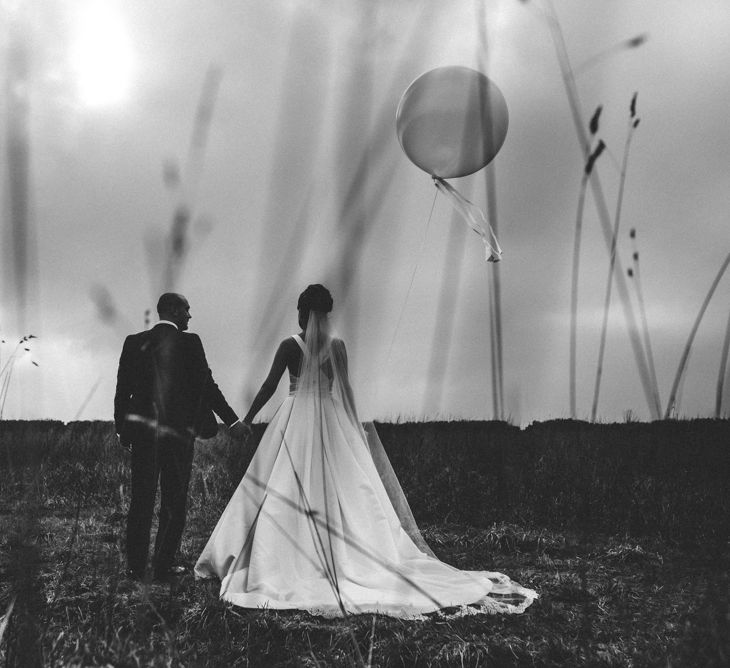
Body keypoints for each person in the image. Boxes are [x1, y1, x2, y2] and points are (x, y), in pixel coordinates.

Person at [195, 284, 536, 617]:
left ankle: (284, 554)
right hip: (330, 419)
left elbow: (271, 385)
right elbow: (345, 389)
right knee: (342, 488)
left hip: (295, 418)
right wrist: (353, 426)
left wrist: (247, 420)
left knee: (283, 482)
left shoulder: (289, 345)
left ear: (302, 311)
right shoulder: (338, 346)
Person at [115, 292, 250, 582]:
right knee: (174, 500)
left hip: (142, 436)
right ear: (174, 310)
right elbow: (208, 386)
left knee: (141, 499)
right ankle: (163, 567)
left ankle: (135, 567)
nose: (190, 315)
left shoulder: (134, 342)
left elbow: (122, 391)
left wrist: (121, 429)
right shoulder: (190, 343)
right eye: (187, 309)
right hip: (178, 437)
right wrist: (233, 421)